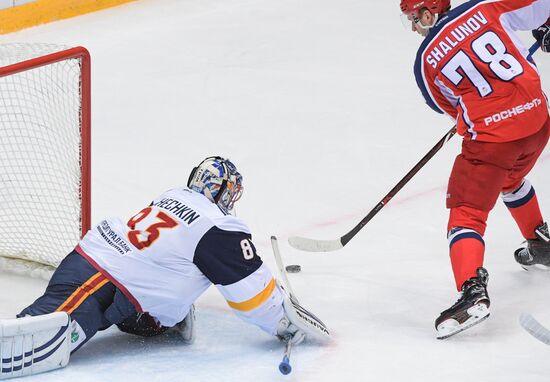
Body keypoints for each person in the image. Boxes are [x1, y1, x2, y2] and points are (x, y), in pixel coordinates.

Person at [0, 156, 329, 379]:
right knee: (40, 336)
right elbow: (252, 297)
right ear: (223, 191)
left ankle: (156, 314)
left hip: (103, 265)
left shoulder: (174, 196)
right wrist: (284, 322)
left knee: (157, 315)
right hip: (103, 277)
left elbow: (166, 255)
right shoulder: (217, 226)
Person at [399, 0, 550, 339]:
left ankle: (471, 293)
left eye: (413, 19)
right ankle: (540, 241)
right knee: (510, 178)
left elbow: (450, 109)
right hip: (539, 122)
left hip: (494, 141)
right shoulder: (486, 7)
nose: (413, 28)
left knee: (466, 211)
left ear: (427, 13)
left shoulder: (425, 60)